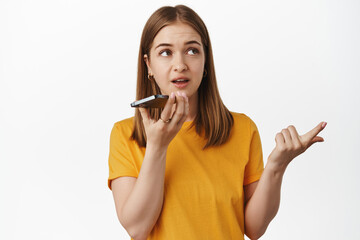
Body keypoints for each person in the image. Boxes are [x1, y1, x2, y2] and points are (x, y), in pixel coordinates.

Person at [108, 5, 326, 240]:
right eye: (165, 52)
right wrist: (157, 147)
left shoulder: (242, 129)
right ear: (148, 64)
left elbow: (254, 228)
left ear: (205, 62)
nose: (180, 64)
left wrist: (276, 166)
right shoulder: (125, 134)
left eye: (192, 51)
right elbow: (137, 228)